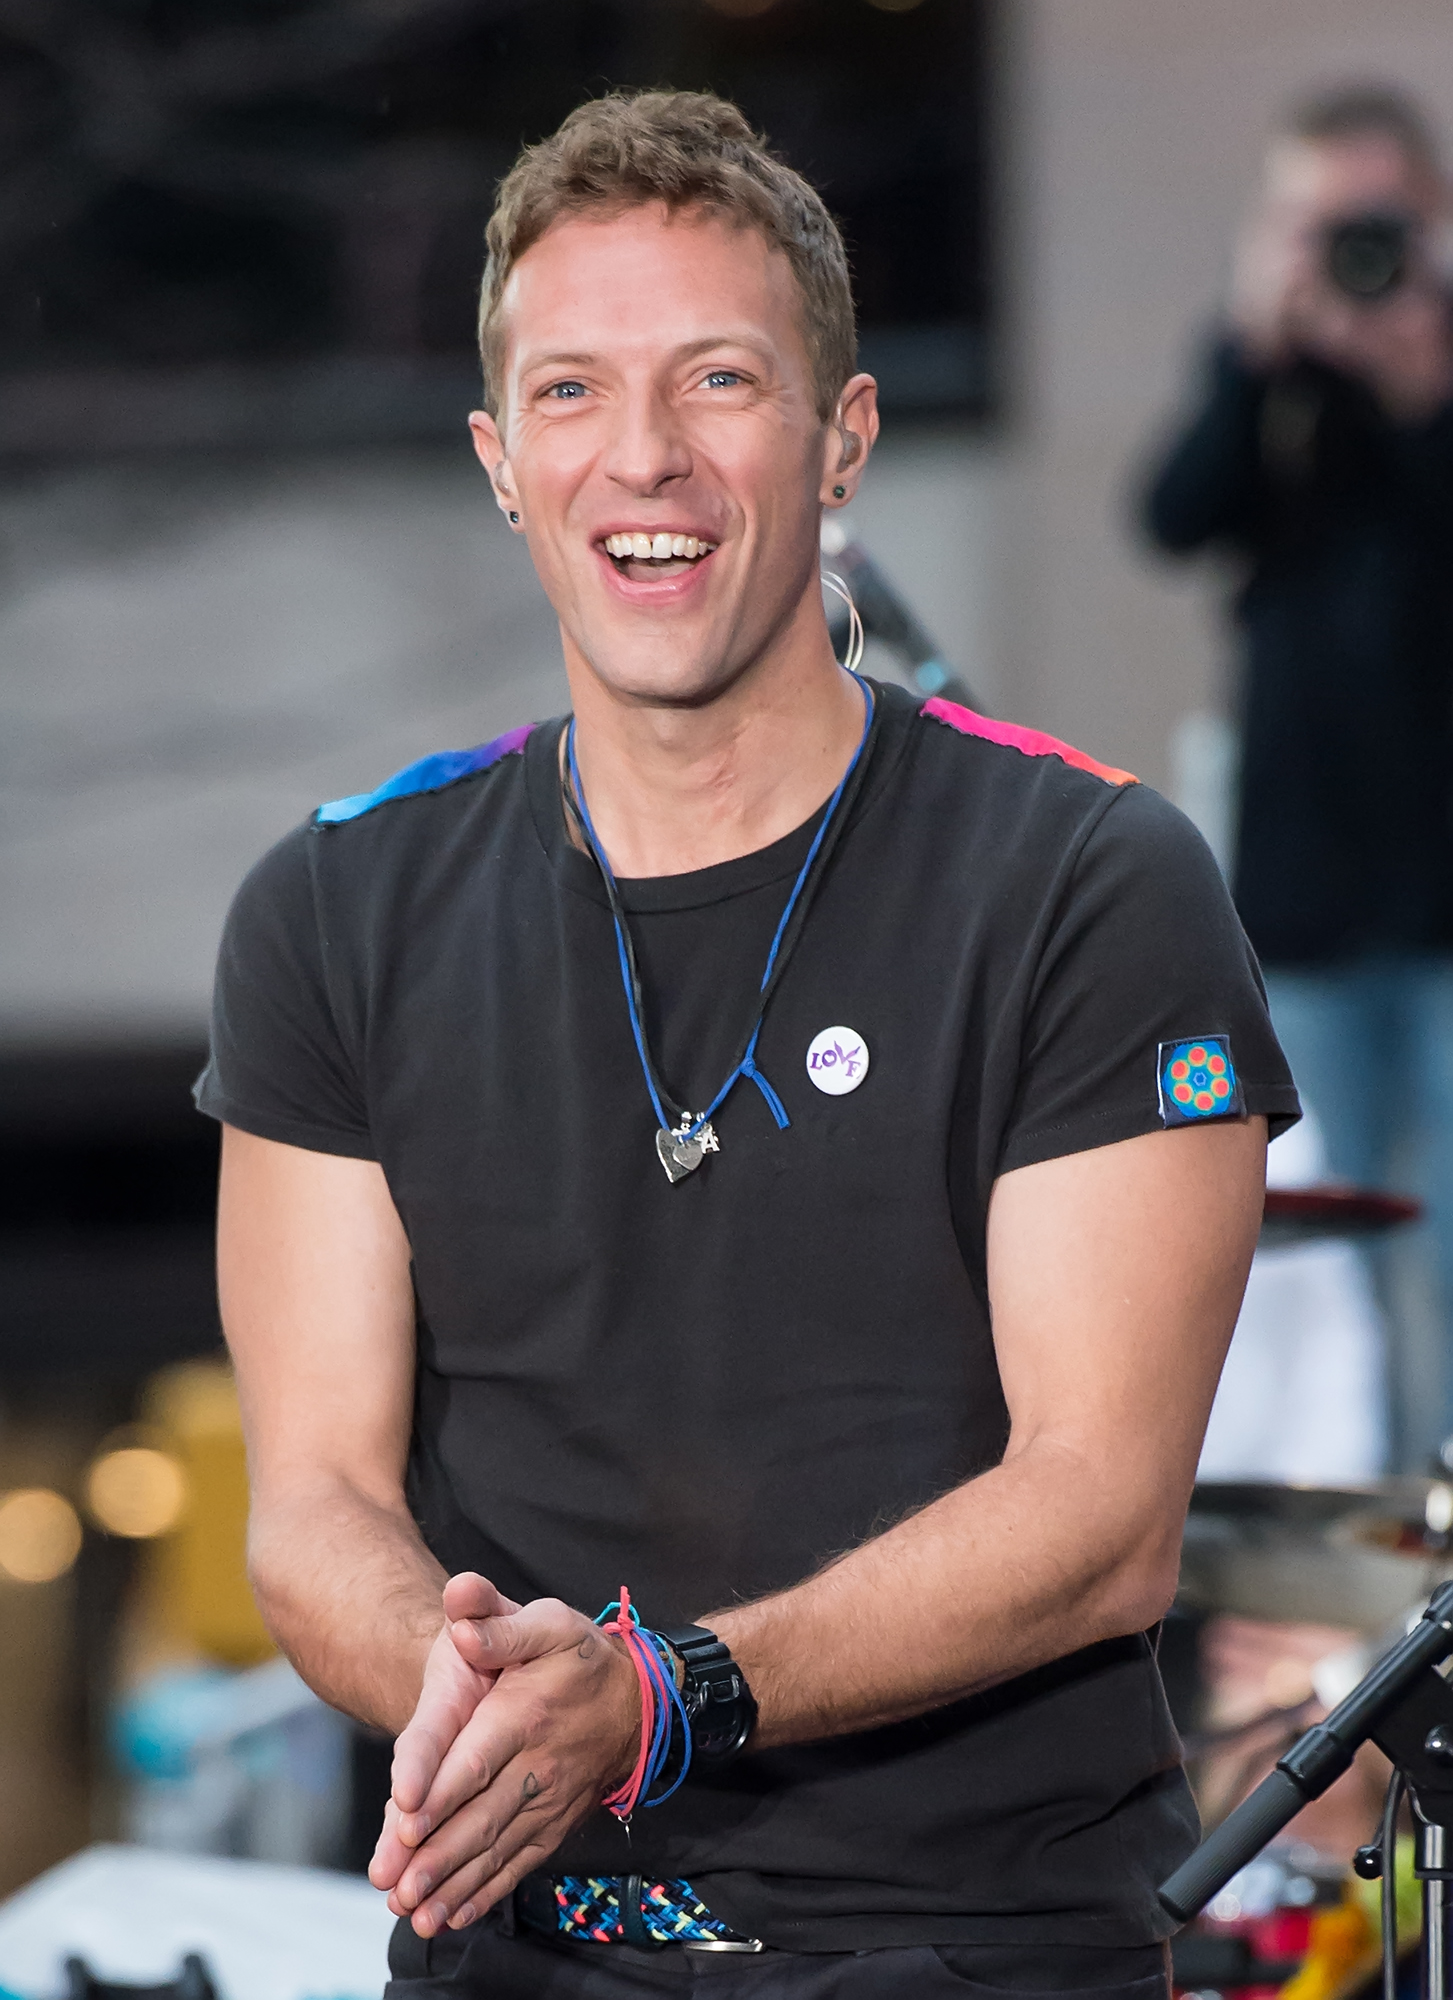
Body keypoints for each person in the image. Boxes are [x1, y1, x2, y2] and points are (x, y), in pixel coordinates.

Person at [200, 90, 1297, 1998]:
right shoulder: (333, 909)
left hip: (962, 1949)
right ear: (494, 455)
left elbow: (1103, 1517)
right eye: (570, 393)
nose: (644, 458)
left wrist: (660, 1699)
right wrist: (483, 1701)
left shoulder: (1089, 880)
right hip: (516, 1943)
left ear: (842, 435)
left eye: (717, 381)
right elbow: (311, 1500)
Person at [1140, 85, 1453, 1471]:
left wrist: (1418, 392)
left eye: (1372, 224)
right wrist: (1254, 344)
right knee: (1322, 1271)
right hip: (1307, 898)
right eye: (1315, 225)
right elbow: (1168, 515)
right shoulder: (1268, 379)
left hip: (1448, 902)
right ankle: (1378, 1616)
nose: (1348, 256)